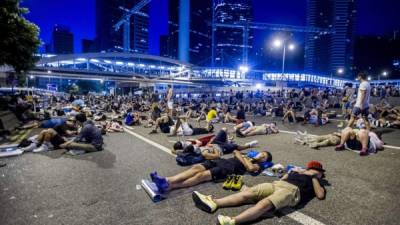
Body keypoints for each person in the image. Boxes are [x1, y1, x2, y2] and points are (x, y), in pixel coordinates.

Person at [192, 160, 326, 225]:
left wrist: (313, 177)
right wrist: (290, 173)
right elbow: (281, 178)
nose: (315, 172)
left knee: (264, 204)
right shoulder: (298, 172)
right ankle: (214, 203)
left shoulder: (316, 181)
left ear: (318, 173)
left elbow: (320, 195)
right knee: (248, 193)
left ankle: (233, 221)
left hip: (290, 190)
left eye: (317, 171)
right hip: (277, 184)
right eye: (313, 170)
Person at [150, 150, 272, 193]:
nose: (262, 156)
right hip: (221, 161)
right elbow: (235, 151)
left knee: (200, 176)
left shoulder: (258, 165)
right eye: (262, 153)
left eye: (264, 156)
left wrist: (245, 159)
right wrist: (244, 157)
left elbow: (250, 169)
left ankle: (170, 186)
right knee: (196, 168)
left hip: (228, 169)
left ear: (265, 161)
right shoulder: (248, 156)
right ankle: (167, 180)